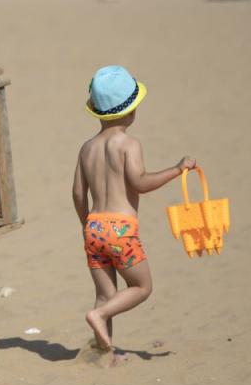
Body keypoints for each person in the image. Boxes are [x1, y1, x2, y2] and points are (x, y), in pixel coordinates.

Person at [72, 66, 195, 362]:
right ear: (131, 112)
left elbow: (78, 192)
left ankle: (105, 353)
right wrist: (177, 170)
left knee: (106, 294)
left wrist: (85, 223)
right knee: (142, 286)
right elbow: (140, 182)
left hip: (94, 227)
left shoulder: (87, 148)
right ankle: (98, 316)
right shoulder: (129, 144)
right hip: (120, 230)